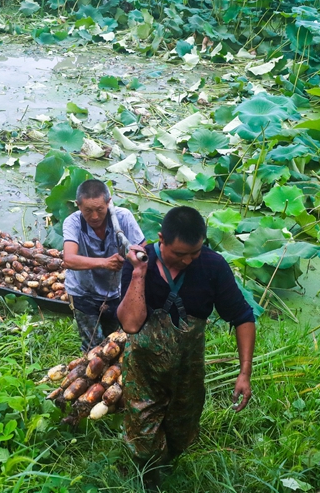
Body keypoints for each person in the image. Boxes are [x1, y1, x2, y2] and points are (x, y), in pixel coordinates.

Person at [117, 206, 255, 487]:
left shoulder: (212, 266)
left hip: (188, 370)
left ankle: (166, 461)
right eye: (179, 254)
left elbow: (243, 317)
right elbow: (130, 325)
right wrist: (139, 273)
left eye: (194, 252)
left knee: (182, 432)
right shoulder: (138, 263)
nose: (188, 260)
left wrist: (244, 372)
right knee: (143, 437)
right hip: (143, 369)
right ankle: (147, 477)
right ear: (161, 240)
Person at [62, 179, 145, 353]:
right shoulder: (73, 222)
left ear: (109, 202)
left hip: (116, 290)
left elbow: (142, 250)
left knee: (115, 343)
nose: (94, 216)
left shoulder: (123, 217)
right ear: (78, 205)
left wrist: (133, 257)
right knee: (92, 347)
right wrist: (105, 263)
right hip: (83, 292)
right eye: (88, 211)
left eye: (100, 209)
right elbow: (69, 259)